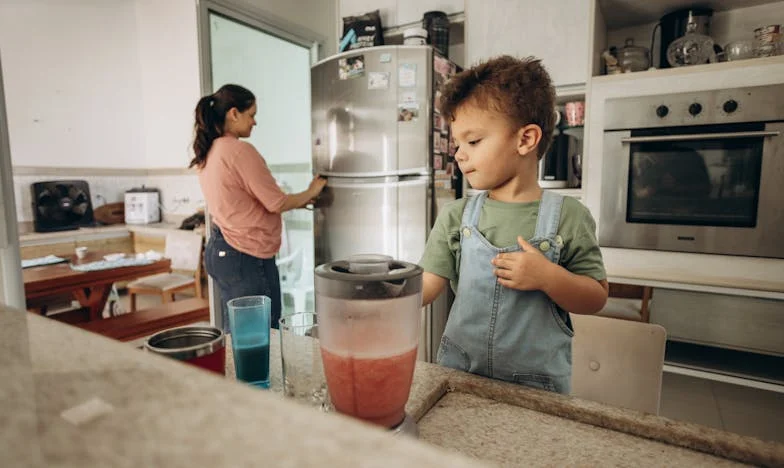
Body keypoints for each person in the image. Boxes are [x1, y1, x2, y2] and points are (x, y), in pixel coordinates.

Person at [419, 56, 609, 394]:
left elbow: (595, 298)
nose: (459, 155)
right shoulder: (455, 216)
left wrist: (548, 277)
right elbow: (426, 287)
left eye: (473, 141)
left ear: (525, 140)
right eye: (457, 145)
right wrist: (374, 298)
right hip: (460, 376)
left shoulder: (570, 217)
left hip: (538, 388)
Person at [191, 84, 326, 331]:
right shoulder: (238, 150)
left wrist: (304, 199)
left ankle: (236, 372)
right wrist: (312, 191)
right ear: (234, 113)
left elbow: (244, 201)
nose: (255, 122)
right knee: (263, 336)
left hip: (222, 249)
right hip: (246, 256)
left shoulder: (209, 151)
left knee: (241, 335)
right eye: (251, 115)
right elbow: (276, 202)